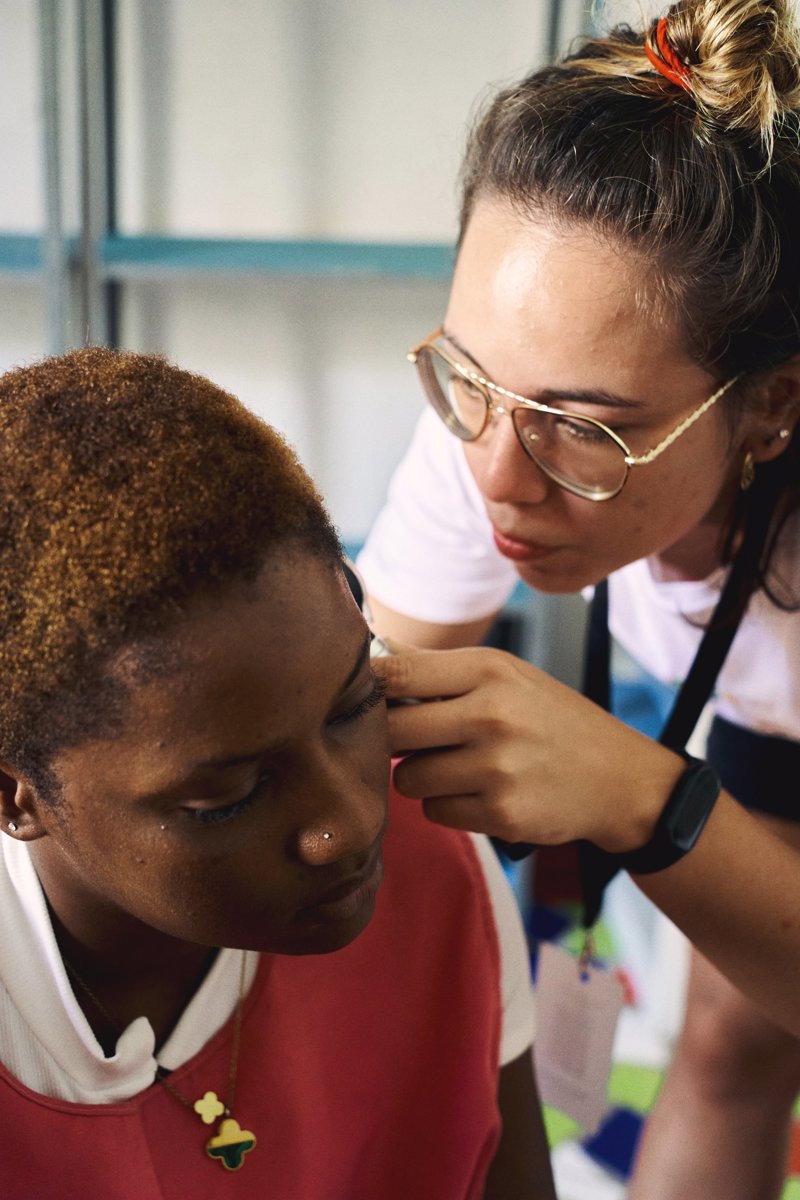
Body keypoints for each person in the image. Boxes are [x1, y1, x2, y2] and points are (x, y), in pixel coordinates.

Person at [356, 2, 800, 1197]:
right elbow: (358, 703)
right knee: (730, 1037)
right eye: (471, 380)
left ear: (768, 408)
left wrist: (638, 802)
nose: (496, 478)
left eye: (585, 429)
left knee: (746, 1026)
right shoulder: (500, 424)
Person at [0, 347, 556, 1200]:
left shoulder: (433, 868)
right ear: (17, 795)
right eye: (226, 798)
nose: (350, 825)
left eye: (353, 704)